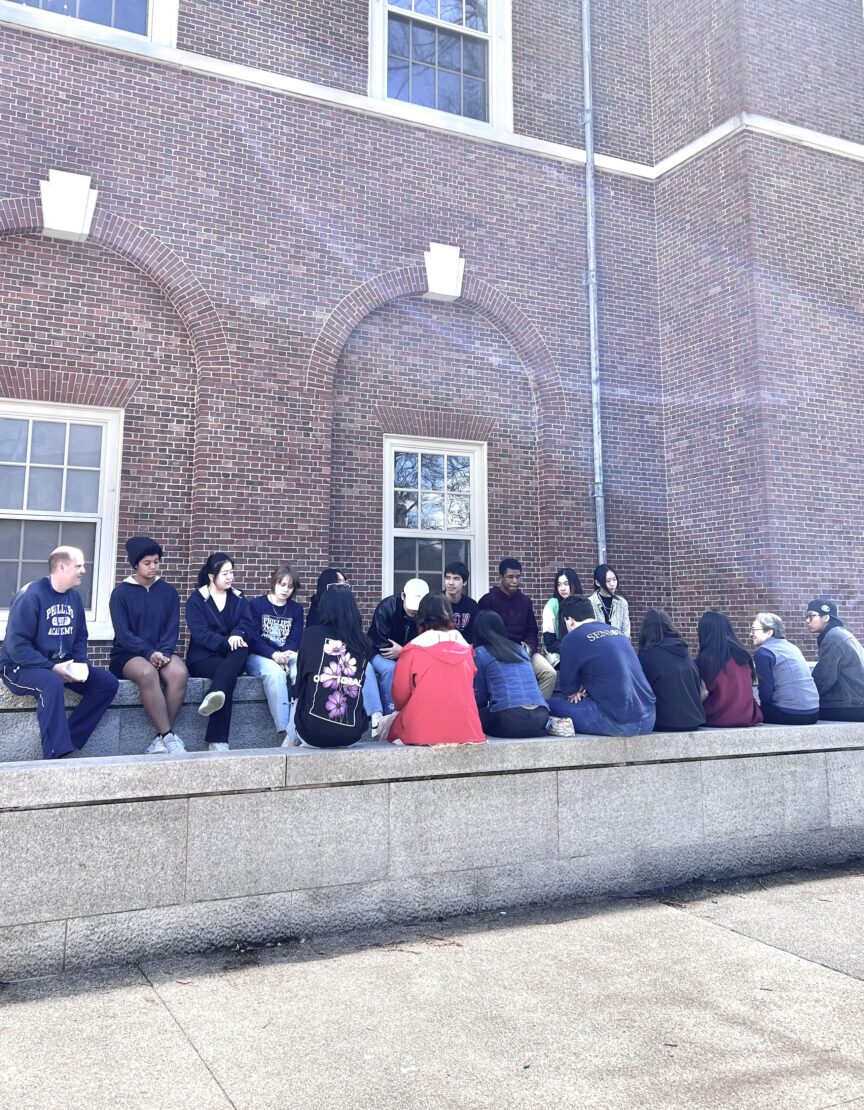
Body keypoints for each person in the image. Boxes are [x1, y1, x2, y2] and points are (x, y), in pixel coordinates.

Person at [0, 546, 118, 759]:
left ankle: (68, 740)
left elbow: (81, 635)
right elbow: (16, 646)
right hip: (19, 667)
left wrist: (80, 663)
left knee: (107, 683)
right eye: (79, 565)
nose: (83, 570)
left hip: (59, 664)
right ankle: (55, 754)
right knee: (50, 682)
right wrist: (51, 667)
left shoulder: (74, 597)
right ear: (61, 566)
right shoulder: (31, 595)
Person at [109, 536, 188, 754]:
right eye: (147, 563)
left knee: (179, 673)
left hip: (161, 651)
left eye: (156, 561)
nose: (153, 567)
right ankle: (168, 736)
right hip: (128, 654)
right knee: (147, 674)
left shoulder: (169, 592)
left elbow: (172, 630)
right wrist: (148, 652)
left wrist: (162, 652)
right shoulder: (120, 594)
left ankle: (160, 739)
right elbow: (123, 634)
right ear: (135, 564)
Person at [380, 594, 484, 746]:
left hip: (422, 730)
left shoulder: (412, 650)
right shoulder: (466, 650)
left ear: (420, 617)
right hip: (467, 730)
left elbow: (400, 697)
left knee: (389, 725)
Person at [546, 596, 655, 736]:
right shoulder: (618, 632)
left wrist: (575, 692)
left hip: (617, 721)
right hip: (649, 718)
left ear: (569, 620)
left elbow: (569, 690)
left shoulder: (571, 639)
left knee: (547, 705)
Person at [291, 583, 376, 748]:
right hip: (351, 735)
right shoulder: (363, 642)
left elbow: (300, 685)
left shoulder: (310, 635)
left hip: (311, 734)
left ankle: (289, 746)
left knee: (299, 696)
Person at [185, 552, 249, 751]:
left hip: (231, 655)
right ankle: (218, 740)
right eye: (225, 573)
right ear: (212, 576)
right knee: (227, 676)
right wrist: (227, 641)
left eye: (232, 572)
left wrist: (237, 633)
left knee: (242, 650)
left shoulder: (238, 598)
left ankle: (214, 693)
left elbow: (245, 623)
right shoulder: (197, 599)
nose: (230, 577)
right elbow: (200, 633)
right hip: (202, 657)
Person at [477, 558, 556, 700]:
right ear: (500, 577)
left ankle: (540, 709)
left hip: (524, 652)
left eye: (518, 577)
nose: (515, 581)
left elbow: (532, 630)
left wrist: (530, 647)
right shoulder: (487, 601)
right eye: (510, 577)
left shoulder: (525, 601)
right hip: (499, 653)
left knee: (549, 673)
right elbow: (483, 632)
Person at [244, 564, 304, 744]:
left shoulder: (296, 609)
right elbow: (253, 639)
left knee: (300, 671)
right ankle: (286, 729)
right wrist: (274, 655)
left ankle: (297, 725)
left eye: (290, 586)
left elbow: (296, 638)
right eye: (282, 584)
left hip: (287, 654)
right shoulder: (256, 605)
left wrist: (285, 654)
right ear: (274, 583)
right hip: (260, 655)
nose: (285, 589)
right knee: (275, 674)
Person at [473, 610, 550, 737]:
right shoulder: (520, 649)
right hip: (541, 716)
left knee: (474, 715)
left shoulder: (480, 653)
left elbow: (479, 698)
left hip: (510, 718)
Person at [368, 578, 430, 713]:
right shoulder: (386, 607)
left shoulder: (426, 613)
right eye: (411, 605)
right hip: (379, 653)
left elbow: (428, 642)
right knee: (391, 668)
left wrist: (403, 651)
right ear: (403, 596)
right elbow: (380, 641)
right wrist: (405, 654)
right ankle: (389, 712)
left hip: (411, 655)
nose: (414, 612)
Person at [637, 608, 705, 732]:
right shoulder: (684, 651)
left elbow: (641, 692)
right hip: (694, 719)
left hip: (666, 721)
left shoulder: (648, 655)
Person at [749, 612, 820, 725]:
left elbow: (765, 690)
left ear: (769, 632)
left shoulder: (763, 652)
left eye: (754, 630)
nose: (750, 634)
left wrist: (763, 710)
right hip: (813, 712)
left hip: (791, 713)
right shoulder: (792, 647)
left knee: (746, 714)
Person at [696, 610, 762, 727]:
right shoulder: (743, 654)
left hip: (717, 716)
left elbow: (703, 692)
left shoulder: (707, 658)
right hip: (747, 715)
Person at [805, 599, 864, 721]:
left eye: (811, 616)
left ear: (826, 618)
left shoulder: (833, 638)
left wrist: (805, 697)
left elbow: (824, 678)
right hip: (856, 702)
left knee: (803, 713)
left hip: (852, 704)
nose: (807, 621)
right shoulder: (839, 633)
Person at [541, 567, 583, 667]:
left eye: (566, 584)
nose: (562, 588)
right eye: (559, 585)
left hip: (580, 651)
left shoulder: (583, 604)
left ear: (574, 584)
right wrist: (573, 650)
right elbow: (550, 643)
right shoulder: (552, 606)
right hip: (558, 654)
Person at [588, 564, 630, 637]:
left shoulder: (622, 603)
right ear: (597, 583)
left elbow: (626, 630)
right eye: (608, 581)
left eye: (614, 579)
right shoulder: (590, 602)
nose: (612, 584)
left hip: (618, 645)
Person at [443, 561, 478, 643]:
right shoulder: (435, 603)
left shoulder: (472, 606)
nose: (451, 583)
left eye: (456, 579)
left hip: (463, 649)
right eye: (448, 578)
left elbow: (473, 635)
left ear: (465, 582)